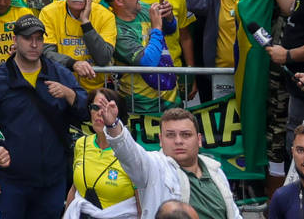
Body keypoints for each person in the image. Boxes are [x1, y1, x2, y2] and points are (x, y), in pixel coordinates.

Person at [0, 16, 87, 219]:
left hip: (52, 181)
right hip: (10, 182)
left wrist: (69, 94)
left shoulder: (59, 74)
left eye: (39, 38)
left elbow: (85, 112)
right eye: (28, 38)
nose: (34, 44)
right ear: (15, 40)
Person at [90, 94, 241, 219]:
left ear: (199, 140)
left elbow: (234, 214)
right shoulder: (153, 166)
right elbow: (129, 153)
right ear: (161, 140)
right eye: (170, 135)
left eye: (186, 135)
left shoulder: (215, 171)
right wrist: (113, 126)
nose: (178, 141)